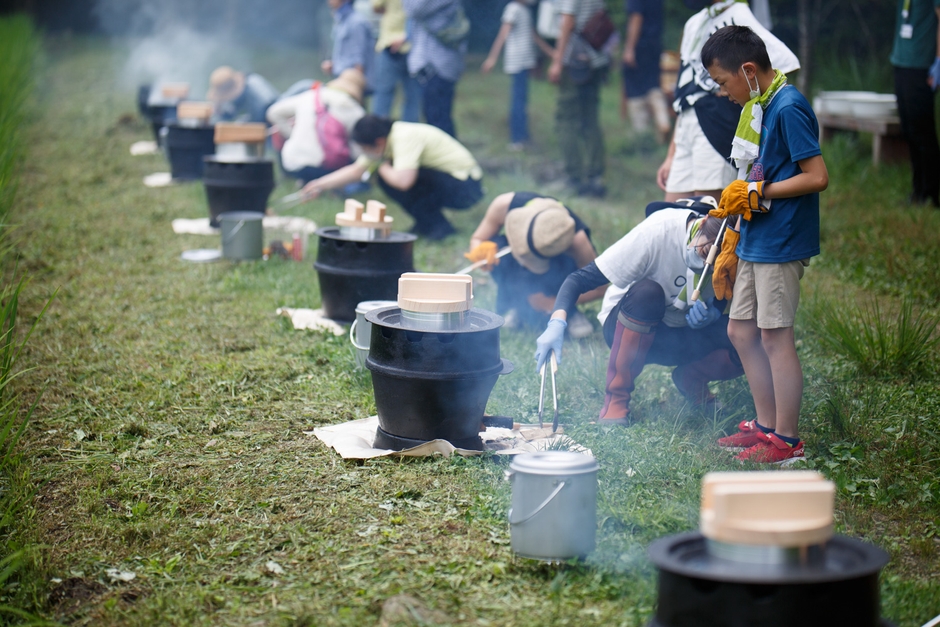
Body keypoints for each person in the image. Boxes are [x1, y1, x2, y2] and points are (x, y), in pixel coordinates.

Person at [701, 25, 828, 464]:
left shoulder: (788, 107)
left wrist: (758, 193)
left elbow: (817, 176)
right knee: (740, 331)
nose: (723, 93)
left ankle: (787, 442)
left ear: (749, 71)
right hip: (757, 235)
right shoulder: (760, 106)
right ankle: (766, 425)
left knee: (774, 336)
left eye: (723, 82)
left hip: (782, 238)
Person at [534, 203, 744, 425]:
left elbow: (724, 295)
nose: (705, 265)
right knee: (648, 292)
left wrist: (714, 312)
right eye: (704, 253)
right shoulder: (658, 231)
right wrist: (557, 323)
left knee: (749, 331)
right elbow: (578, 280)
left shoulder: (736, 254)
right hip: (629, 329)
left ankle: (692, 378)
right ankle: (616, 397)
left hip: (683, 338)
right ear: (702, 224)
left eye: (717, 266)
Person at [656, 0, 799, 202]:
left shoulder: (737, 13)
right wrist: (671, 154)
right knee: (673, 209)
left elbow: (783, 61)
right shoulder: (694, 24)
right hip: (686, 126)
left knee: (708, 209)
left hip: (716, 123)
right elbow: (685, 93)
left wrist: (732, 92)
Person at [300, 115, 483, 240]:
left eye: (365, 149)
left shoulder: (404, 137)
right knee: (391, 176)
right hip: (454, 183)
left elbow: (404, 182)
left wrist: (382, 167)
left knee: (390, 178)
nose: (365, 153)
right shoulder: (386, 141)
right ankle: (427, 223)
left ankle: (439, 227)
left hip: (467, 188)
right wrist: (318, 185)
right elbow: (357, 170)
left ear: (378, 142)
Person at [465, 192, 606, 334]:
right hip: (510, 256)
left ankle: (569, 312)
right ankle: (519, 305)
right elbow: (477, 238)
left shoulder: (577, 240)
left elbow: (600, 288)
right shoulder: (503, 206)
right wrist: (480, 252)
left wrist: (557, 301)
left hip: (557, 270)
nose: (525, 264)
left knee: (568, 268)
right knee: (498, 245)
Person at [547, 0, 611, 197]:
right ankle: (595, 177)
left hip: (575, 62)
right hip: (595, 59)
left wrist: (557, 62)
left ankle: (573, 177)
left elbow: (568, 21)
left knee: (565, 120)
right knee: (590, 119)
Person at [266, 69, 367, 184]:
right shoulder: (354, 110)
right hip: (328, 167)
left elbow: (273, 112)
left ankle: (305, 181)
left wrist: (292, 135)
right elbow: (358, 151)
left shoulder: (311, 95)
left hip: (292, 164)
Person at [482, 0, 552, 150]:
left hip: (525, 62)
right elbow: (503, 34)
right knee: (518, 102)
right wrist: (492, 58)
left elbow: (534, 36)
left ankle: (523, 136)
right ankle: (517, 139)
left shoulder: (525, 10)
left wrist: (552, 53)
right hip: (517, 62)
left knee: (522, 101)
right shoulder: (513, 9)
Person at [891, 0, 940, 207]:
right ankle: (918, 191)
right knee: (908, 130)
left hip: (921, 66)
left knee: (923, 132)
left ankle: (932, 194)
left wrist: (939, 60)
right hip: (900, 62)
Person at [403, 0, 469, 137]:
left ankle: (448, 150)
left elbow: (414, 8)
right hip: (435, 63)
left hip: (438, 64)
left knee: (438, 121)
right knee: (435, 117)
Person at [620, 0, 671, 142]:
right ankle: (662, 119)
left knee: (635, 90)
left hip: (639, 45)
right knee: (653, 85)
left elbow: (636, 17)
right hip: (655, 43)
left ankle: (641, 132)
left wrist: (629, 48)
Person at [371, 0, 422, 122]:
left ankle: (379, 129)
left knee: (385, 94)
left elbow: (376, 7)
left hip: (394, 44)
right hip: (414, 46)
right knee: (412, 97)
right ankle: (406, 130)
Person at [322, 0, 375, 84]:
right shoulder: (342, 21)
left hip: (352, 83)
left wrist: (355, 84)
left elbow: (359, 61)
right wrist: (334, 65)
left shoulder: (356, 22)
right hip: (341, 79)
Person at [207, 66, 279, 124]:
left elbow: (265, 110)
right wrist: (219, 110)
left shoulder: (253, 85)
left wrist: (245, 123)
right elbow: (232, 113)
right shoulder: (243, 91)